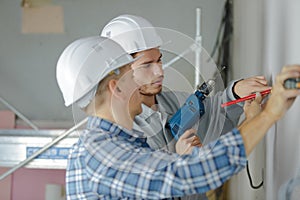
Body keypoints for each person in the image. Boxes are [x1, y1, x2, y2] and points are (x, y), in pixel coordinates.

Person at [56, 36, 300, 199]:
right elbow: (189, 174)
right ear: (116, 88)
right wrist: (269, 114)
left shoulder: (120, 146)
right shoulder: (102, 155)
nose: (140, 83)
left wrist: (240, 101)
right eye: (132, 76)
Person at [100, 14, 271, 199]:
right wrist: (181, 164)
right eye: (147, 65)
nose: (159, 71)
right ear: (121, 73)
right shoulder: (121, 137)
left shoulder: (170, 101)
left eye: (159, 60)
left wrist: (235, 93)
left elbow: (215, 114)